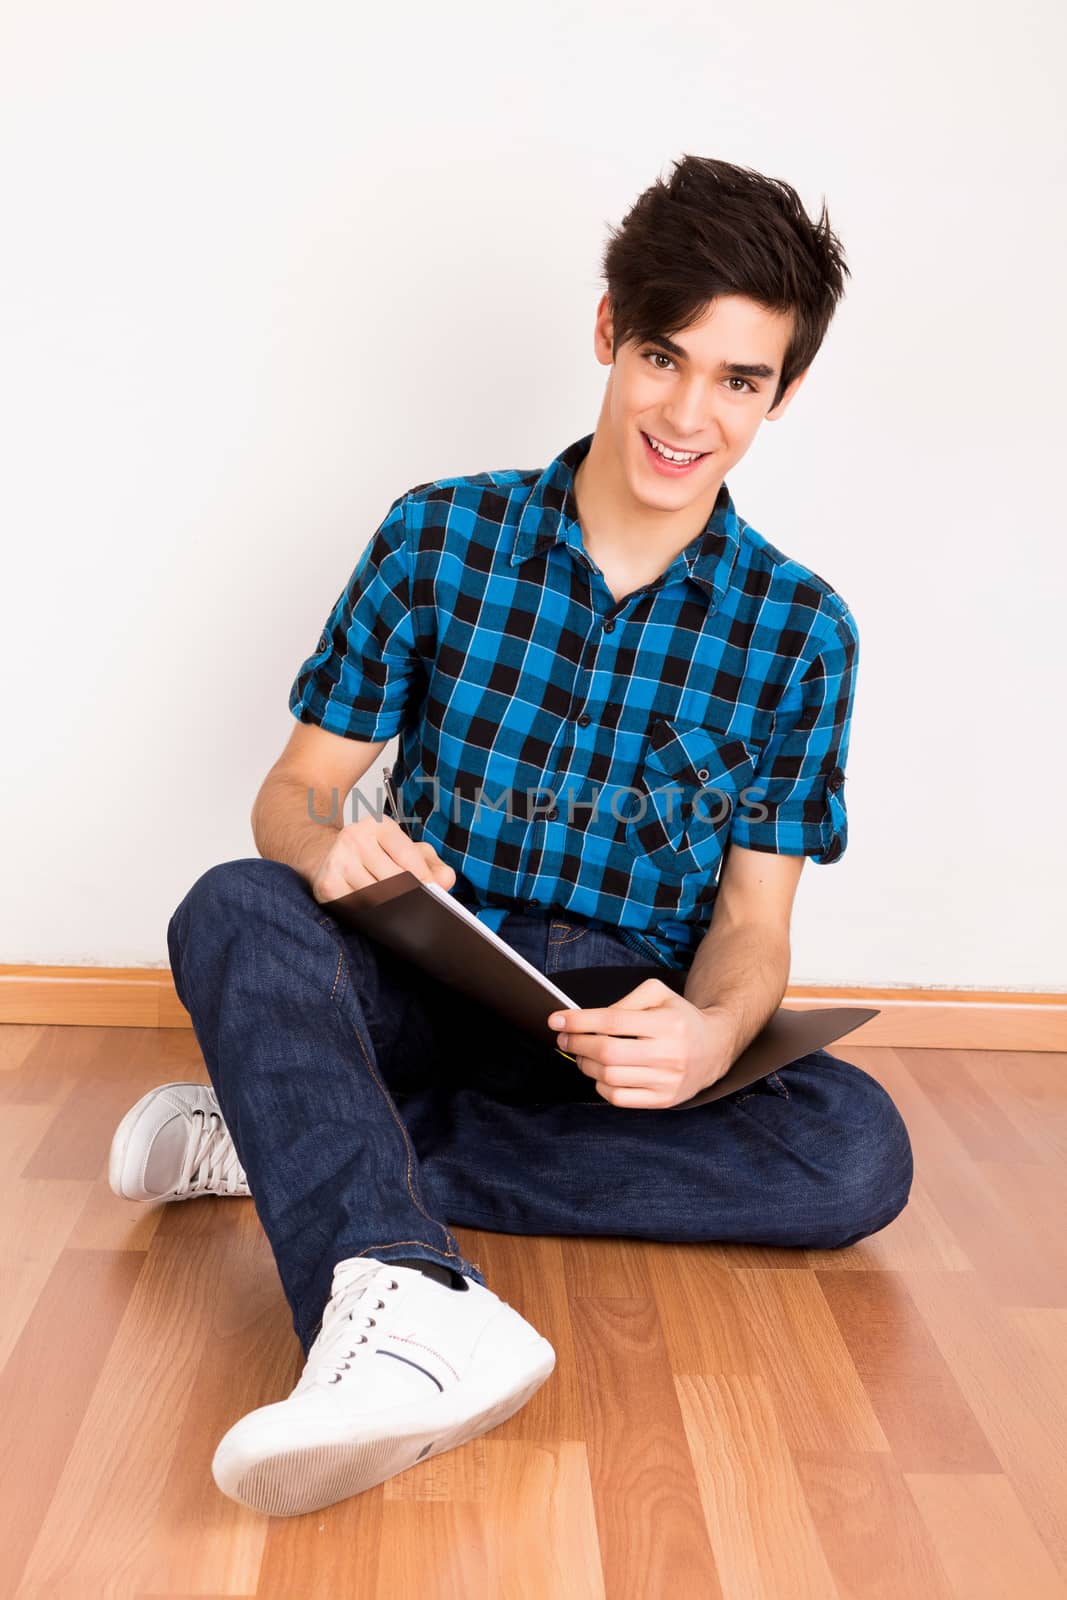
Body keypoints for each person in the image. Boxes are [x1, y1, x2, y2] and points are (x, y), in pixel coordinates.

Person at [108, 154, 914, 1519]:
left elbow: (753, 929)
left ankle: (302, 1128)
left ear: (782, 393)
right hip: (424, 971)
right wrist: (328, 852)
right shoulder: (440, 538)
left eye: (740, 381)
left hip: (611, 1028)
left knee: (856, 1153)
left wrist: (713, 1036)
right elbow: (295, 790)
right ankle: (405, 1292)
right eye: (664, 356)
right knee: (233, 904)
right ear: (609, 330)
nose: (688, 413)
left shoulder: (802, 632)